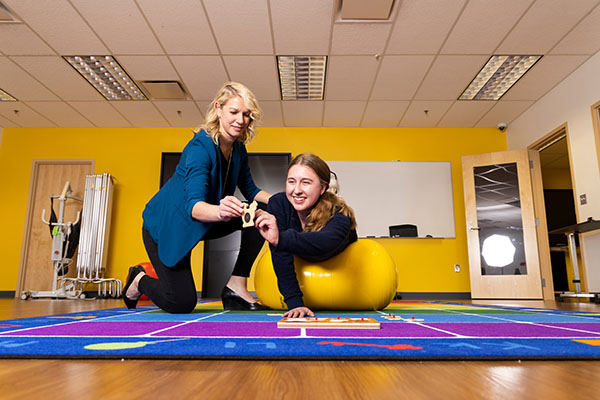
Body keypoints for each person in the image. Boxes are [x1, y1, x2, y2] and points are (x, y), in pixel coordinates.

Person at [122, 82, 271, 313]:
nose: (240, 120)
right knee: (180, 302)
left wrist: (287, 201)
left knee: (260, 214)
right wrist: (221, 210)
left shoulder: (238, 149)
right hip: (168, 227)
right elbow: (194, 207)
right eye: (234, 112)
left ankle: (236, 286)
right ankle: (139, 278)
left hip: (204, 221)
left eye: (246, 115)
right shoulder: (199, 148)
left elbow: (252, 191)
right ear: (218, 109)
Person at [254, 153, 358, 318]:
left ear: (322, 188)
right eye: (291, 181)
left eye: (306, 182)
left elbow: (325, 244)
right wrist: (295, 303)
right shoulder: (278, 203)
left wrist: (280, 238)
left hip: (335, 261)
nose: (296, 190)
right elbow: (280, 253)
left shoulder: (339, 212)